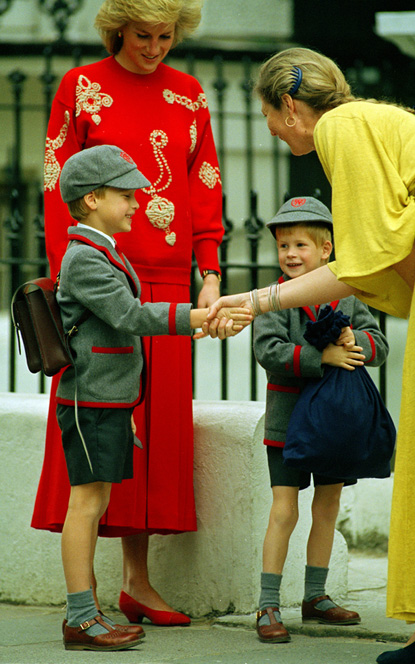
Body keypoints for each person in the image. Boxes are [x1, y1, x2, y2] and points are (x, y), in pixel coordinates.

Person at [207, 47, 415, 663]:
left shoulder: (340, 129)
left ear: (289, 106)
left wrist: (256, 300)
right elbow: (376, 261)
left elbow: (359, 265)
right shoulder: (370, 119)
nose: (267, 127)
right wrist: (261, 301)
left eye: (267, 114)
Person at [32, 0, 224, 625]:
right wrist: (69, 273)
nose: (155, 47)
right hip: (101, 282)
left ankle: (137, 583)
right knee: (105, 425)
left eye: (167, 36)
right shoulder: (80, 86)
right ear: (119, 28)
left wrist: (210, 269)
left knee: (152, 439)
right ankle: (86, 600)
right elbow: (57, 177)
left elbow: (205, 181)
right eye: (143, 35)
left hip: (167, 278)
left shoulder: (191, 94)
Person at [55, 144, 248, 651]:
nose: (138, 202)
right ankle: (80, 617)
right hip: (91, 403)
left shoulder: (100, 251)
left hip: (106, 400)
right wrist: (199, 318)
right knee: (87, 504)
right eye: (126, 195)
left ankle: (86, 614)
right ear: (92, 198)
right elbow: (131, 316)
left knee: (95, 502)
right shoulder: (85, 259)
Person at [253, 196, 389, 643]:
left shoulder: (347, 293)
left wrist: (353, 345)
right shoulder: (272, 299)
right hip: (287, 423)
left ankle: (316, 596)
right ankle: (268, 604)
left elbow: (379, 345)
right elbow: (267, 351)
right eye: (283, 246)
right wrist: (320, 356)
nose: (290, 254)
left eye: (301, 246)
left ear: (327, 249)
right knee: (284, 510)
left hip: (335, 424)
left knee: (327, 507)